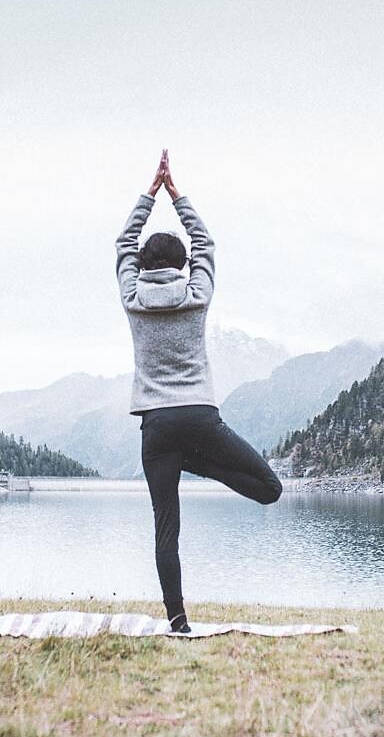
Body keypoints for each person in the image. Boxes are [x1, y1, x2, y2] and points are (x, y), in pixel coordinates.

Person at [115, 150, 283, 633]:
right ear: (184, 264)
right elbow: (205, 242)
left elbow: (123, 243)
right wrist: (176, 193)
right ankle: (200, 463)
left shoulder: (132, 299)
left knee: (166, 530)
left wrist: (148, 195)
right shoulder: (197, 294)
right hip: (200, 417)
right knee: (270, 490)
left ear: (142, 266)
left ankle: (179, 623)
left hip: (157, 428)